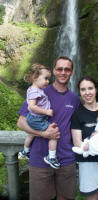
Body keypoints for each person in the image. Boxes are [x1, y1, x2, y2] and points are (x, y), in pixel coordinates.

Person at [17, 56, 81, 200]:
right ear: (54, 71)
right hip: (39, 160)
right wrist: (43, 133)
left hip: (66, 160)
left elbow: (81, 125)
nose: (63, 72)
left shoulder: (75, 99)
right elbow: (21, 122)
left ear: (71, 72)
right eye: (59, 69)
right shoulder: (40, 92)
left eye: (67, 69)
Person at [18, 63, 60, 169]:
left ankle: (25, 151)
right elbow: (31, 107)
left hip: (33, 119)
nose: (47, 81)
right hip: (37, 118)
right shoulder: (35, 91)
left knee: (31, 134)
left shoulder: (34, 89)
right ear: (35, 77)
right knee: (53, 134)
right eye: (45, 78)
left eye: (48, 79)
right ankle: (51, 157)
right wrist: (46, 112)